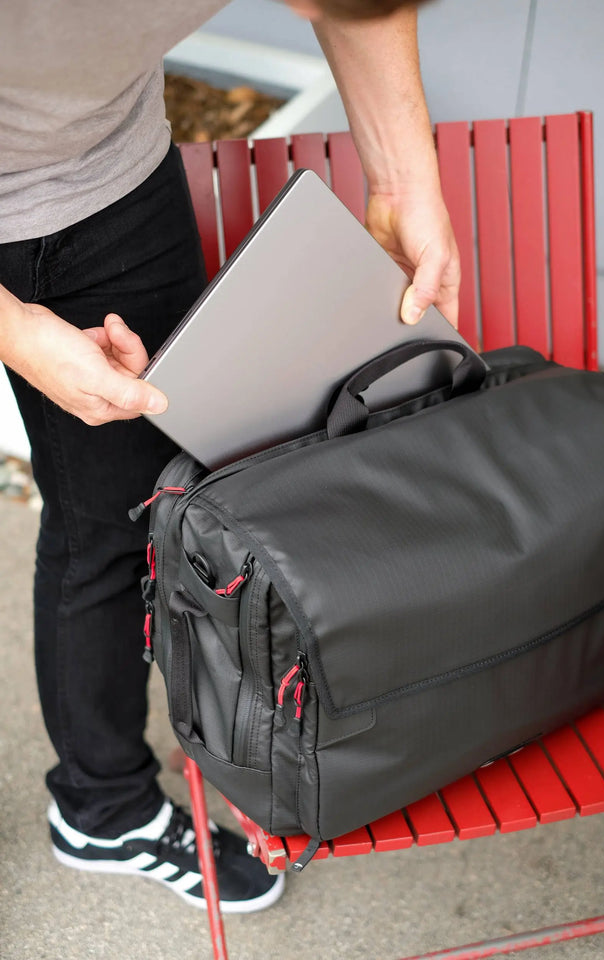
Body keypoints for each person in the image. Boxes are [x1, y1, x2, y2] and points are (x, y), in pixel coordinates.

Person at [0, 0, 460, 914]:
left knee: (153, 500)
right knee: (100, 526)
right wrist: (13, 330)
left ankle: (172, 759)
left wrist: (409, 186)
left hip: (115, 177)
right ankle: (105, 808)